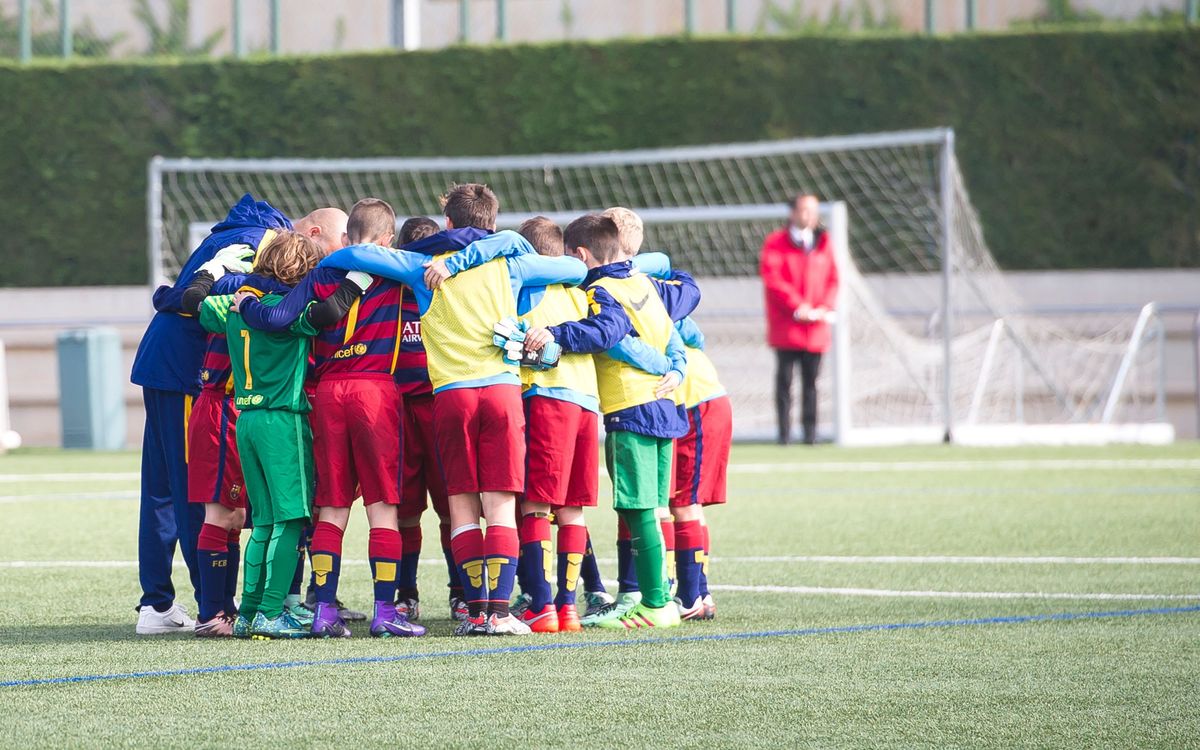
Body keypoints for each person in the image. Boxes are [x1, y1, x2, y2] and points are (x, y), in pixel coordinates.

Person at [317, 184, 587, 636]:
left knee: (461, 509)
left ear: (447, 225)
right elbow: (575, 269)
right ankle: (498, 614)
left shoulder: (421, 266)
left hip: (450, 397)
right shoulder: (511, 263)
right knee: (499, 507)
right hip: (501, 393)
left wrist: (326, 257)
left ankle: (476, 613)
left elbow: (353, 256)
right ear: (492, 223)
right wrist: (504, 244)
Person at [240, 198, 426, 639]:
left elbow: (283, 316)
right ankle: (385, 610)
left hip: (326, 393)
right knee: (383, 507)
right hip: (374, 390)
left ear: (346, 238)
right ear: (385, 240)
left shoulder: (319, 273)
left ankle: (323, 608)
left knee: (332, 506)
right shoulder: (397, 271)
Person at [524, 214, 700, 630]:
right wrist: (675, 368)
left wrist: (555, 334)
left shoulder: (600, 290)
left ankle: (654, 602)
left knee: (637, 507)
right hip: (666, 404)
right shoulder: (643, 283)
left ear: (581, 255)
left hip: (632, 405)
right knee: (653, 508)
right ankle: (654, 596)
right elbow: (675, 333)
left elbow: (609, 335)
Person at [130, 194, 291, 635]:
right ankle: (211, 605)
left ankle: (158, 605)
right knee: (193, 490)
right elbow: (215, 278)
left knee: (162, 488)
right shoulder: (255, 239)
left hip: (163, 365)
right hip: (184, 373)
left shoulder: (238, 231)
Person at [197, 231, 359, 639]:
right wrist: (358, 280)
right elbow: (327, 314)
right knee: (290, 520)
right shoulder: (292, 309)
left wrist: (211, 273)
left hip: (245, 418)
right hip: (281, 420)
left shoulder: (234, 306)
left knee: (264, 521)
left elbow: (199, 310)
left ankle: (250, 611)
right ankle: (272, 611)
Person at [392, 216, 462, 622]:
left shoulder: (451, 290)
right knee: (408, 509)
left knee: (452, 507)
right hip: (402, 411)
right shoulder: (385, 292)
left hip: (439, 407)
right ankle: (408, 592)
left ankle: (457, 590)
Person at [759, 194, 839, 445]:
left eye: (813, 211)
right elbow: (774, 280)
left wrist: (823, 306)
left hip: (815, 329)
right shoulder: (775, 243)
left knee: (812, 384)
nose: (810, 216)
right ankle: (784, 435)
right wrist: (798, 306)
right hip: (787, 327)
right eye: (805, 210)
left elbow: (833, 280)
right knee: (784, 383)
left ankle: (810, 435)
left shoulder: (823, 243)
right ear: (793, 212)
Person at [669, 317, 731, 621]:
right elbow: (697, 335)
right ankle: (700, 592)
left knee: (683, 503)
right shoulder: (664, 296)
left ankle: (690, 597)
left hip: (695, 403)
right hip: (707, 398)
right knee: (687, 503)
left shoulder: (641, 295)